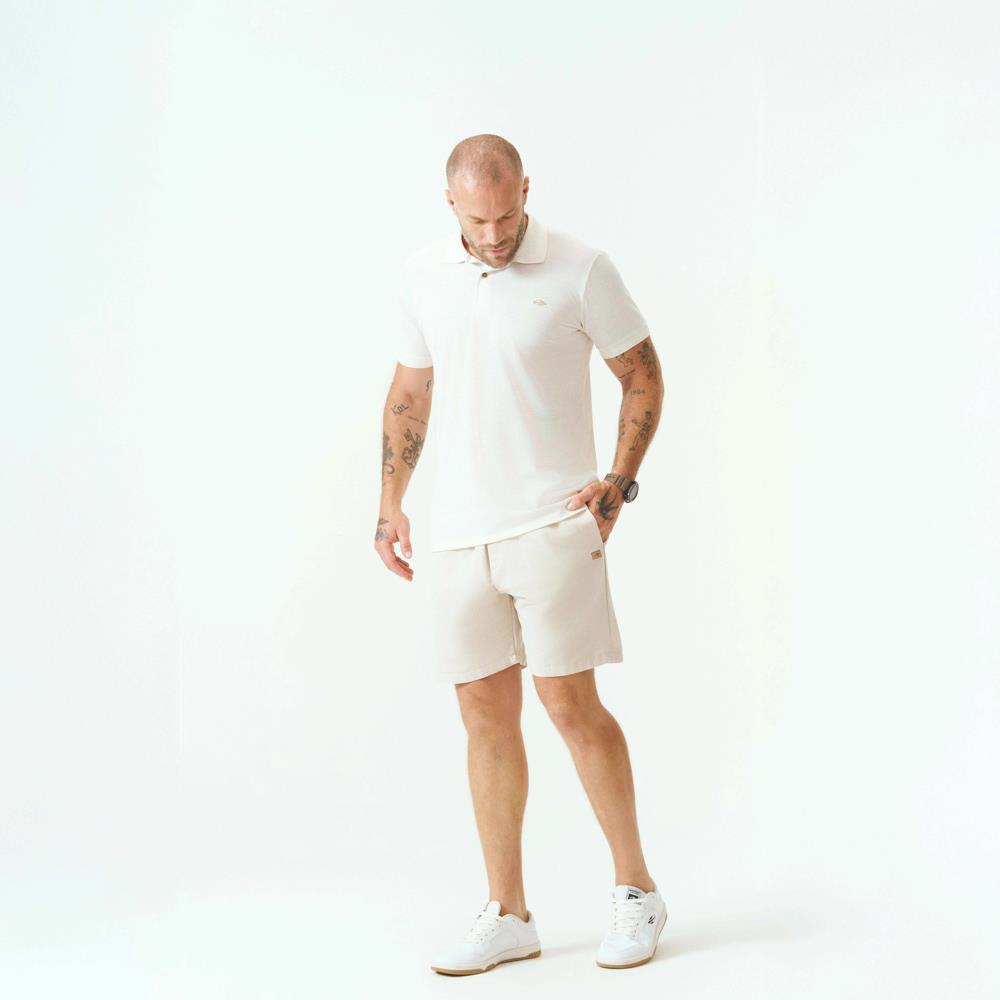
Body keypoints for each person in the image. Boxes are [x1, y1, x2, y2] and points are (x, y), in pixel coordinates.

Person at [375, 134, 667, 975]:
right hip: (459, 532)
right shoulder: (421, 276)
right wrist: (391, 504)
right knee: (483, 717)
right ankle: (508, 913)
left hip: (551, 523)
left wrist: (619, 481)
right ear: (451, 205)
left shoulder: (581, 267)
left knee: (571, 705)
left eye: (507, 215)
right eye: (479, 220)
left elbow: (642, 373)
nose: (496, 234)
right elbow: (410, 392)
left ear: (526, 190)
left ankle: (637, 891)